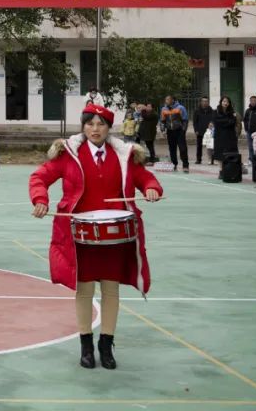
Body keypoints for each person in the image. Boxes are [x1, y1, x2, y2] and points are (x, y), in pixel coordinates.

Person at [30, 103, 162, 371]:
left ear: (108, 127)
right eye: (90, 124)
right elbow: (39, 177)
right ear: (83, 126)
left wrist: (151, 189)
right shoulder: (68, 155)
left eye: (101, 124)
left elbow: (146, 178)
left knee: (110, 289)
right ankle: (86, 345)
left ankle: (107, 344)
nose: (95, 129)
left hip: (114, 236)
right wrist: (40, 199)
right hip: (79, 235)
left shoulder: (124, 155)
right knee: (85, 289)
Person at [160, 95, 189, 173]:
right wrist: (163, 130)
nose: (166, 101)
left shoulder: (180, 108)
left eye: (168, 99)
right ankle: (174, 164)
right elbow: (162, 121)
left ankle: (185, 165)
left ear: (172, 100)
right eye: (165, 99)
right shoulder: (164, 109)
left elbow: (185, 120)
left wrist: (183, 131)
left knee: (183, 148)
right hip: (170, 131)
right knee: (172, 149)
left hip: (179, 131)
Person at [212, 96, 239, 162]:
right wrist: (227, 121)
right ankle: (221, 169)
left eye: (227, 101)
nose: (225, 103)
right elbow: (217, 122)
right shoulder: (216, 111)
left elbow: (233, 122)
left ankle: (228, 170)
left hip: (230, 136)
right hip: (220, 136)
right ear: (221, 102)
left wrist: (225, 121)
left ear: (229, 103)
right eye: (224, 101)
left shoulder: (232, 112)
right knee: (220, 155)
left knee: (230, 155)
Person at [192, 98, 214, 166]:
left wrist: (212, 126)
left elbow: (213, 120)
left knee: (210, 146)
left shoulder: (212, 111)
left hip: (209, 132)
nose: (205, 103)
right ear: (201, 102)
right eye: (203, 101)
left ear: (208, 102)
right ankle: (198, 159)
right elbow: (195, 122)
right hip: (200, 131)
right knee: (199, 146)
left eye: (206, 101)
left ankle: (211, 160)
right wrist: (196, 130)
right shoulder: (197, 111)